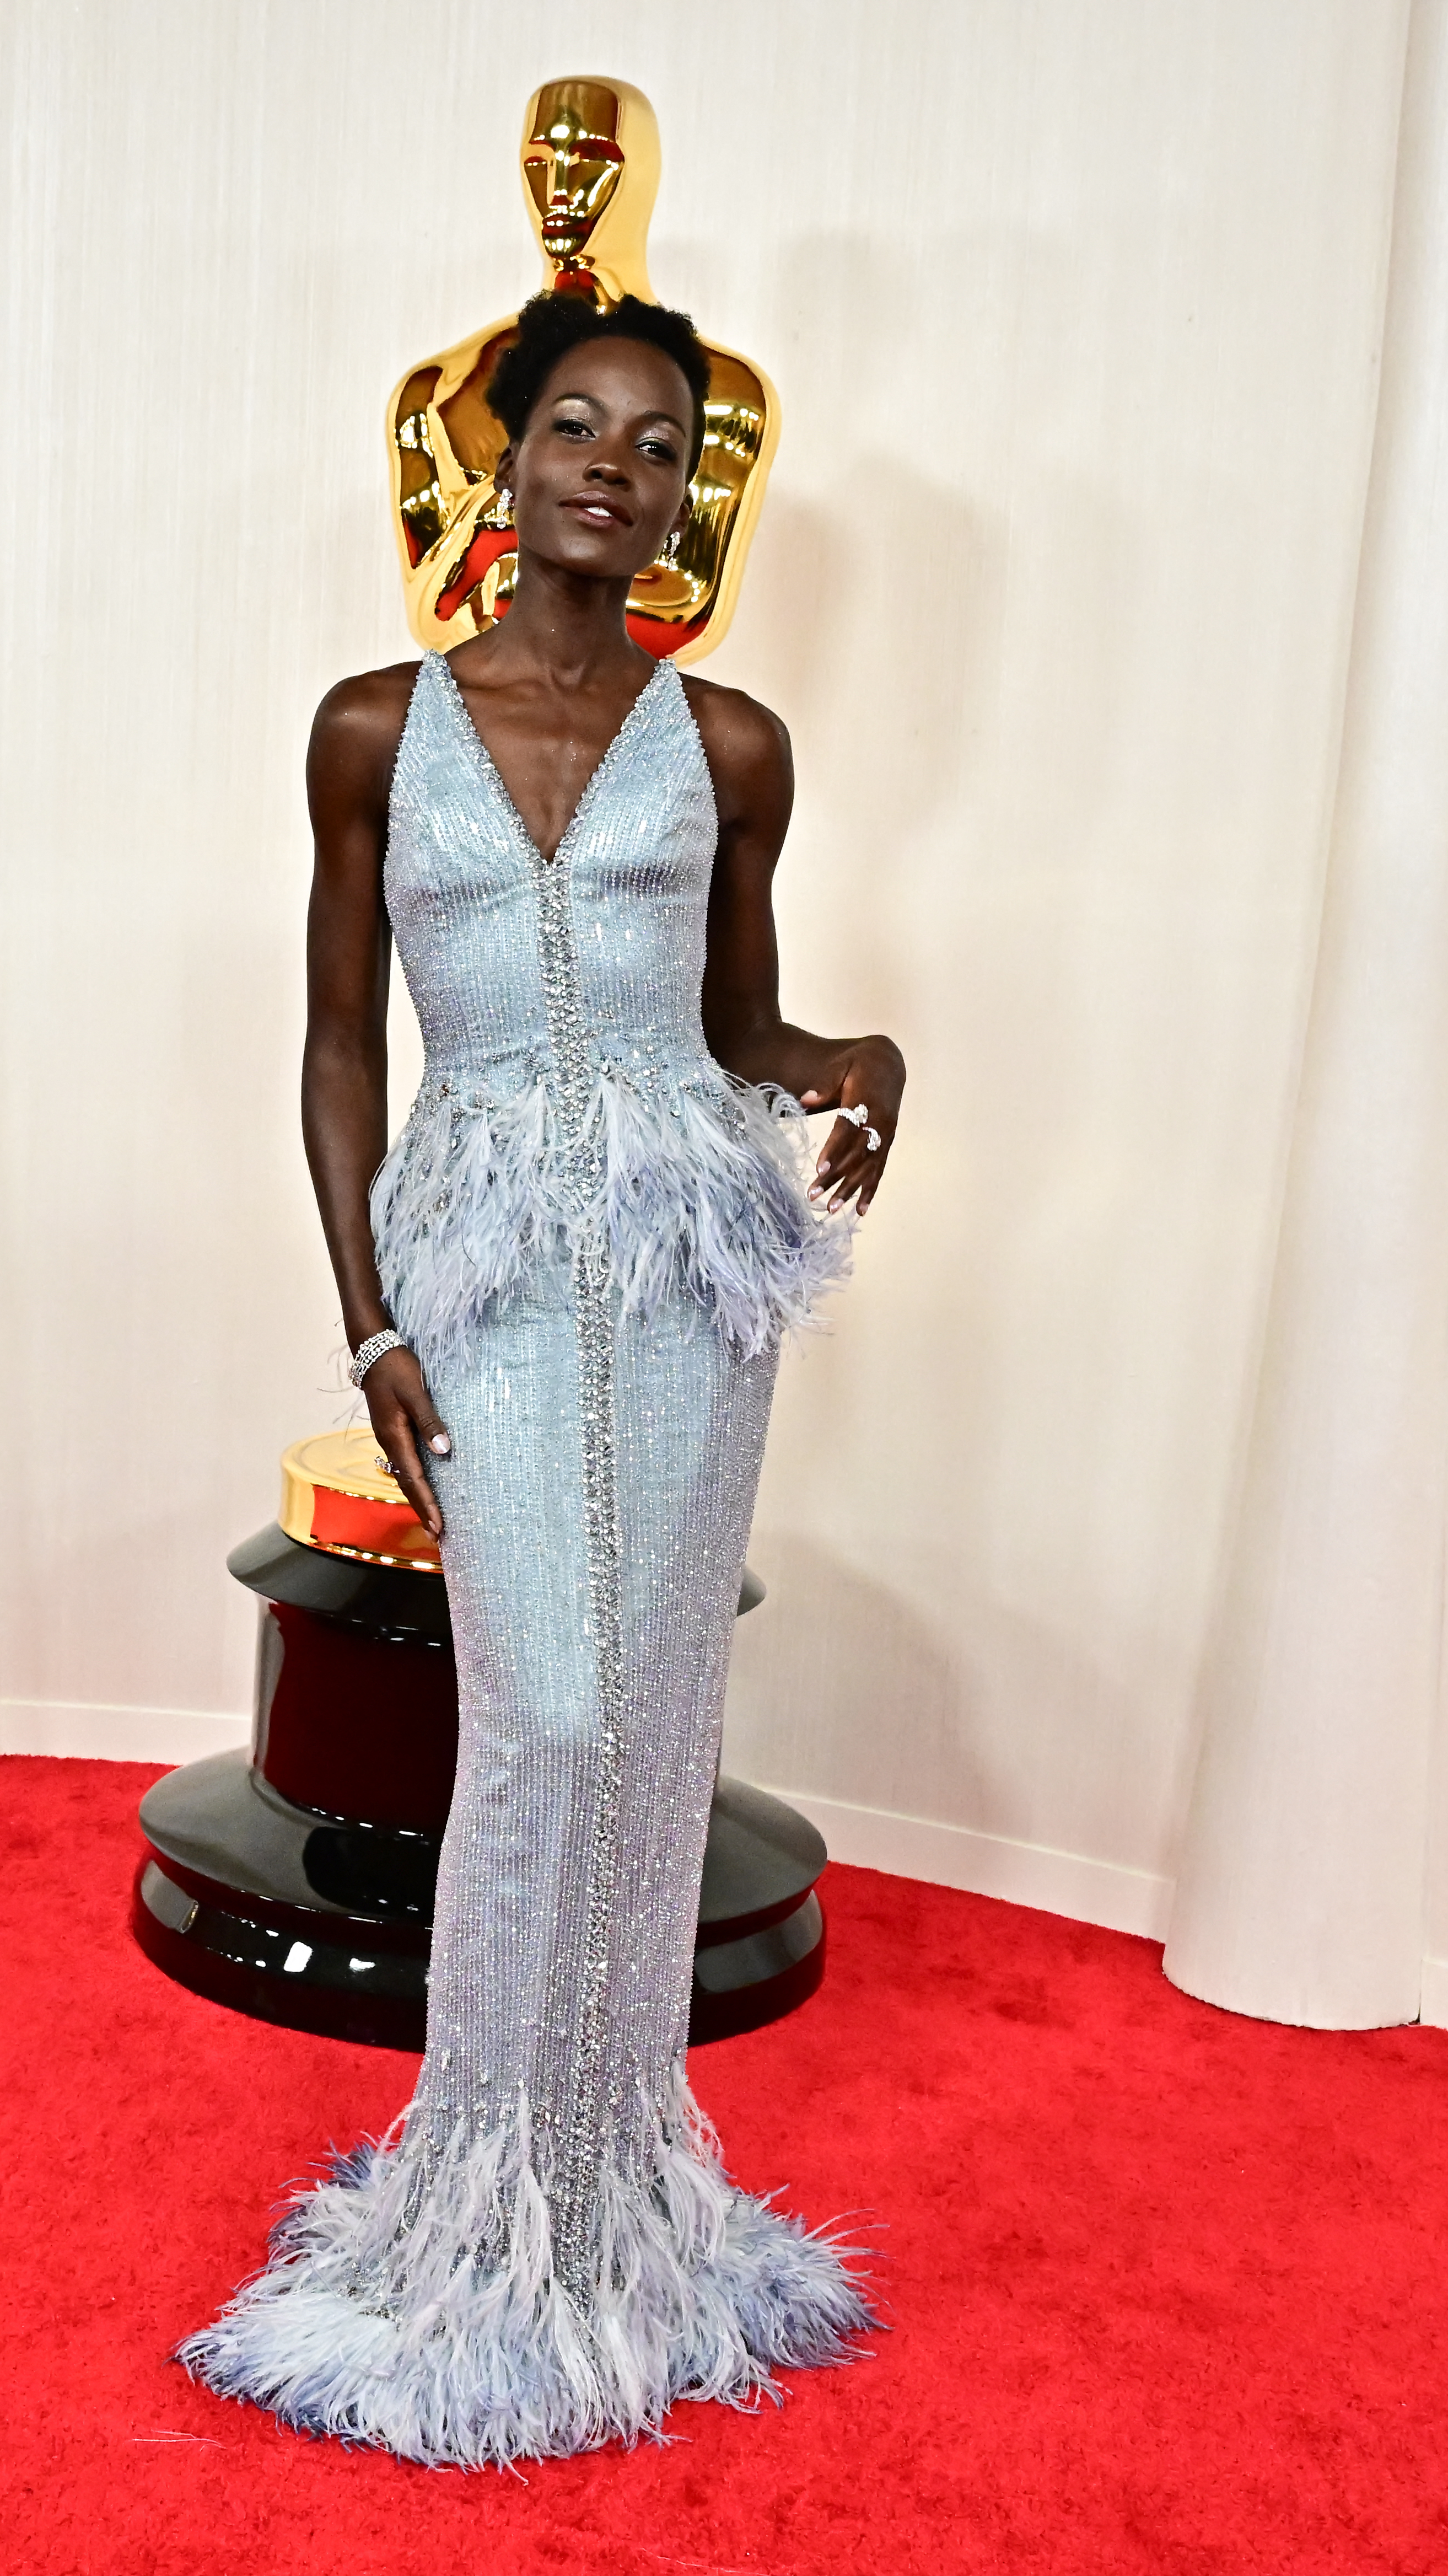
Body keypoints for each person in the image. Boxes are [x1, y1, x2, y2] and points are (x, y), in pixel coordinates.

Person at [180, 291, 906, 2468]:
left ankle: (605, 2204)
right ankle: (478, 2202)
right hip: (484, 1260)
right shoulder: (368, 732)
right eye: (575, 425)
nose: (616, 460)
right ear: (493, 463)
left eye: (660, 440)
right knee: (550, 1708)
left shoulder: (740, 745)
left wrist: (846, 1063)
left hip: (685, 1269)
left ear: (692, 489)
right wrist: (369, 1318)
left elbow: (734, 1034)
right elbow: (338, 1045)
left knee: (654, 1721)